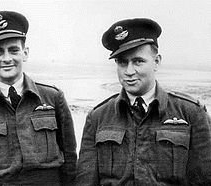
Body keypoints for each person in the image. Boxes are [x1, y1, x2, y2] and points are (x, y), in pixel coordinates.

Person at [75, 18, 211, 185]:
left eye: (138, 61)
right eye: (122, 62)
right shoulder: (98, 117)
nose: (129, 71)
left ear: (157, 62)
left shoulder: (191, 113)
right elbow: (85, 181)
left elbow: (204, 179)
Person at [0, 11, 77, 186]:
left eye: (13, 50)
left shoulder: (53, 98)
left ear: (25, 53)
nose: (7, 59)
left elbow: (70, 162)